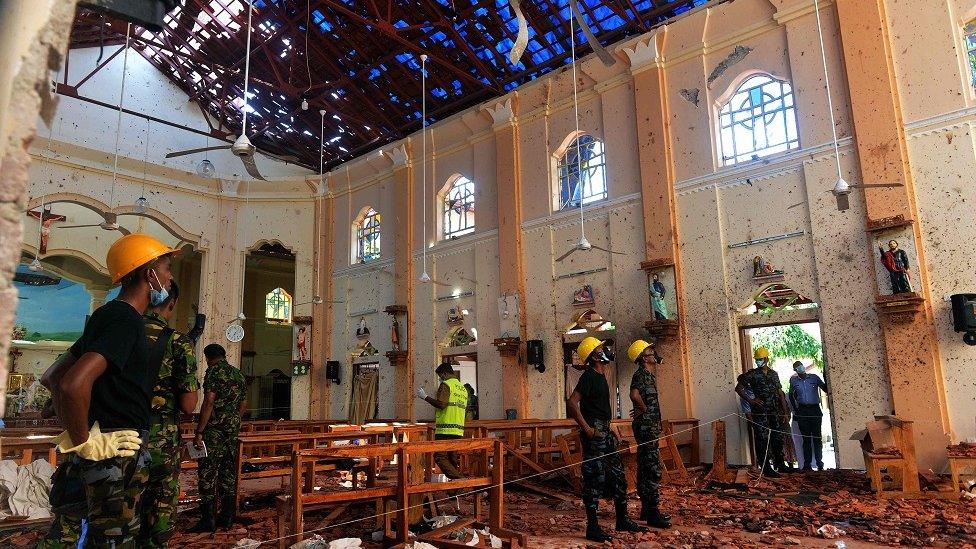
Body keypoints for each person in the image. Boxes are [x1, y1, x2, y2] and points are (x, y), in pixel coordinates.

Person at [39, 233, 177, 547]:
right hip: (116, 452)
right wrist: (83, 443)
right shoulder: (126, 321)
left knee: (78, 535)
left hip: (101, 445)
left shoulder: (106, 314)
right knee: (116, 539)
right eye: (167, 268)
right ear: (149, 273)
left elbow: (52, 378)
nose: (170, 278)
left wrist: (81, 436)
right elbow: (73, 385)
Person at [137, 280, 200, 547]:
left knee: (117, 510)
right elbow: (188, 406)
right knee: (159, 505)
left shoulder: (116, 331)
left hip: (114, 434)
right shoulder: (177, 342)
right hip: (160, 437)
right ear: (171, 304)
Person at [567, 337, 645, 542]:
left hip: (606, 431)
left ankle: (622, 519)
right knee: (594, 479)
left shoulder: (602, 375)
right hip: (595, 433)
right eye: (601, 348)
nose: (606, 350)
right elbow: (572, 403)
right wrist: (587, 429)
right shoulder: (589, 376)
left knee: (618, 476)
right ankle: (592, 528)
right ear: (594, 355)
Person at [191, 343, 247, 532]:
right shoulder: (238, 374)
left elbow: (209, 401)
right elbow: (243, 403)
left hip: (213, 430)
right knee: (227, 471)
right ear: (224, 355)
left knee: (207, 472)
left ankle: (208, 520)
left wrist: (200, 431)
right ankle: (227, 517)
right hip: (231, 430)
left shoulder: (213, 372)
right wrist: (233, 421)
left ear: (207, 357)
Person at [627, 340, 670, 529]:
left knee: (645, 467)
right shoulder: (641, 375)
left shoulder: (649, 375)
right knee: (652, 467)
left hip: (649, 426)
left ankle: (646, 509)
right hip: (645, 427)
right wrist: (643, 409)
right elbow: (634, 394)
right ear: (644, 358)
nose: (654, 353)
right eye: (650, 350)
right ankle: (653, 514)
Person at [735, 347, 787, 477]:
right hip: (760, 412)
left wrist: (785, 411)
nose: (758, 361)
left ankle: (781, 465)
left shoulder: (774, 374)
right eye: (757, 359)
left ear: (767, 359)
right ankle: (766, 468)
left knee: (778, 437)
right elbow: (738, 388)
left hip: (774, 411)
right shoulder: (752, 374)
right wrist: (752, 401)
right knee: (762, 439)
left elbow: (780, 393)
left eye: (760, 359)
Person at [416, 363, 468, 479]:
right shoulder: (462, 389)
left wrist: (425, 397)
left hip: (445, 428)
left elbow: (442, 404)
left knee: (439, 456)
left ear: (444, 374)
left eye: (440, 376)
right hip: (458, 429)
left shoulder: (446, 385)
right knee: (452, 458)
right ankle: (454, 491)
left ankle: (460, 481)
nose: (440, 379)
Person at [788, 361, 829, 471]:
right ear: (795, 370)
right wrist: (795, 409)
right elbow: (791, 395)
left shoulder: (814, 378)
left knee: (817, 438)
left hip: (815, 410)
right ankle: (807, 464)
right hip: (803, 410)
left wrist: (827, 376)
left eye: (801, 365)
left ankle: (820, 463)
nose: (800, 367)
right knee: (805, 439)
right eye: (797, 367)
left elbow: (825, 388)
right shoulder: (793, 380)